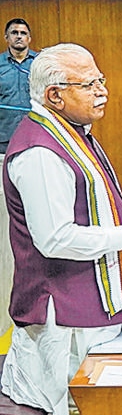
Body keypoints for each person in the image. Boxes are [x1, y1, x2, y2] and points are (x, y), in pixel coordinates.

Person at [0, 43, 122, 415]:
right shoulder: (41, 151)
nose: (102, 90)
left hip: (85, 307)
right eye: (89, 83)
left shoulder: (72, 133)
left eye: (101, 80)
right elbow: (55, 239)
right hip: (61, 316)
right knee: (75, 411)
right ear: (55, 95)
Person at [0, 18, 37, 338]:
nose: (19, 37)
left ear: (30, 38)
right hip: (3, 148)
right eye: (14, 32)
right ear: (6, 37)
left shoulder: (40, 66)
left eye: (24, 33)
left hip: (36, 148)